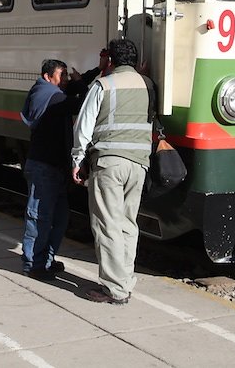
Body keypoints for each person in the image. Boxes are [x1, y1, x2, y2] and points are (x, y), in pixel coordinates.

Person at [72, 38, 153, 305]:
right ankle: (125, 281)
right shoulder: (148, 84)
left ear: (110, 60)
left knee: (107, 225)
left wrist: (77, 159)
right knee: (128, 224)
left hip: (109, 163)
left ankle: (114, 289)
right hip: (139, 164)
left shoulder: (103, 85)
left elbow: (84, 125)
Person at [19, 53, 105, 280]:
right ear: (48, 77)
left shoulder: (47, 91)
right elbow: (82, 103)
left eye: (67, 75)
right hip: (44, 166)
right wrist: (86, 85)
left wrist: (96, 70)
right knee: (40, 216)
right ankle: (33, 264)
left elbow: (69, 88)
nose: (66, 79)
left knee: (58, 217)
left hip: (53, 166)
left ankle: (45, 260)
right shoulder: (50, 97)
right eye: (62, 75)